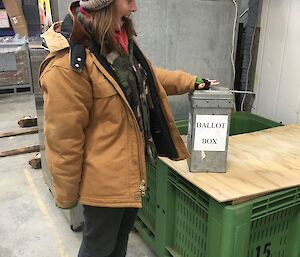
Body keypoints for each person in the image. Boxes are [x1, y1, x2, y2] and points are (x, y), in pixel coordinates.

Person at [39, 0, 219, 256]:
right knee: (98, 248)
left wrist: (192, 82)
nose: (134, 8)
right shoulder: (69, 64)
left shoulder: (116, 42)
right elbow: (63, 138)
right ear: (103, 5)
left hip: (131, 175)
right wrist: (66, 195)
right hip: (102, 183)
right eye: (127, 1)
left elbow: (147, 77)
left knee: (119, 244)